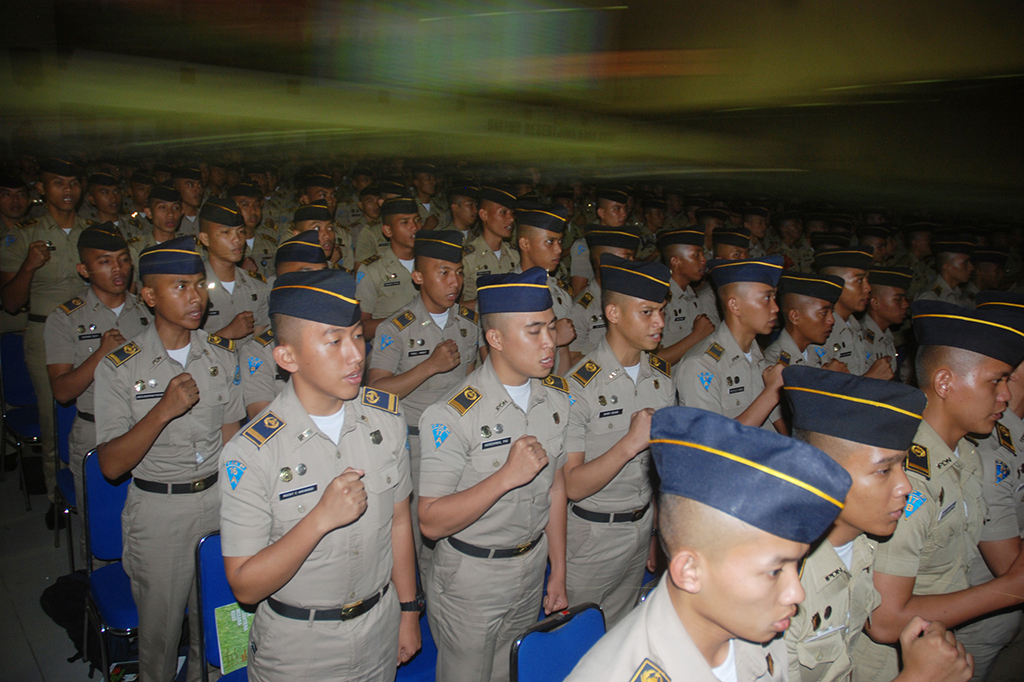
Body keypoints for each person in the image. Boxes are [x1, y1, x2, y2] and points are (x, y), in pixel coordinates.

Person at [219, 269, 420, 681]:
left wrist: (408, 609)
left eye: (357, 336)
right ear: (287, 357)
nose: (356, 355)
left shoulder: (387, 418)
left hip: (379, 628)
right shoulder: (252, 451)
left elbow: (400, 522)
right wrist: (319, 519)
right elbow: (244, 585)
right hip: (300, 648)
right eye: (334, 341)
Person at [565, 406, 854, 682]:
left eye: (796, 564)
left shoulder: (757, 629)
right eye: (774, 571)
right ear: (690, 571)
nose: (797, 594)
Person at [94, 235, 244, 682]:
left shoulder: (219, 355)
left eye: (199, 284)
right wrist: (163, 410)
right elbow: (111, 465)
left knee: (221, 633)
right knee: (159, 641)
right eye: (180, 287)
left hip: (218, 500)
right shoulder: (121, 366)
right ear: (150, 296)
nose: (195, 296)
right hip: (160, 511)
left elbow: (231, 439)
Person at [855, 300, 1024, 682]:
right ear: (945, 382)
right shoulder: (905, 476)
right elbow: (884, 620)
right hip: (892, 668)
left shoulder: (964, 453)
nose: (1005, 397)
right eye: (995, 381)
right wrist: (1011, 589)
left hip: (937, 654)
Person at [418, 267, 570, 682]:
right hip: (472, 579)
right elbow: (430, 521)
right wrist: (505, 477)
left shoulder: (556, 399)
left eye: (552, 329)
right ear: (496, 339)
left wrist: (558, 568)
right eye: (534, 331)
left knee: (510, 673)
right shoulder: (451, 415)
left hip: (531, 565)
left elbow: (556, 488)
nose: (549, 343)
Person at [781, 366, 973, 682]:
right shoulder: (782, 586)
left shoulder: (862, 547)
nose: (906, 486)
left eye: (903, 466)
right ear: (820, 475)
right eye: (884, 471)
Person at [563, 255, 675, 627]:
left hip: (641, 530)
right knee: (578, 643)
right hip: (592, 539)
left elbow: (661, 470)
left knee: (620, 636)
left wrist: (657, 531)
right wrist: (630, 443)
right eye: (647, 312)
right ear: (613, 313)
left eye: (661, 311)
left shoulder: (660, 378)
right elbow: (573, 486)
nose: (659, 322)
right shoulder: (577, 386)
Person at [367, 230, 481, 568]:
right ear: (418, 277)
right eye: (443, 272)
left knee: (456, 528)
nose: (454, 281)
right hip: (414, 444)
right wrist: (429, 367)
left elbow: (471, 383)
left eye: (459, 271)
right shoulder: (395, 329)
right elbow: (376, 392)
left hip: (460, 441)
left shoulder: (468, 324)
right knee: (414, 535)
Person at [44, 223, 152, 562]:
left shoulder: (149, 311)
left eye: (122, 260)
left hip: (149, 428)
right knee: (103, 538)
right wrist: (100, 354)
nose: (117, 269)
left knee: (149, 531)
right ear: (84, 269)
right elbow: (62, 391)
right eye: (104, 261)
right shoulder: (64, 319)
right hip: (95, 433)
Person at [0, 157, 93, 526]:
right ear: (42, 189)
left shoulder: (92, 231)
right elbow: (9, 302)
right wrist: (28, 266)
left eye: (72, 183)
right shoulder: (22, 236)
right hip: (44, 332)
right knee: (55, 417)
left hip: (91, 332)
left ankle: (95, 487)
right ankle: (58, 492)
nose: (67, 190)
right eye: (58, 183)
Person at [676, 256, 786, 432]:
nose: (775, 308)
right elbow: (713, 440)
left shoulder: (758, 357)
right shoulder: (701, 365)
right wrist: (772, 392)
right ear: (735, 306)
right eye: (766, 298)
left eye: (774, 297)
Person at [240, 230, 329, 419]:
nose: (318, 284)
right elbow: (261, 419)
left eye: (323, 275)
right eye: (306, 275)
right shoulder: (259, 352)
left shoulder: (342, 339)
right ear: (280, 283)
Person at [514, 201, 577, 373]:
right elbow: (501, 358)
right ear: (525, 244)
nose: (558, 249)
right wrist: (555, 337)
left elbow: (565, 355)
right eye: (550, 242)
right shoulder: (503, 295)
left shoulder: (560, 293)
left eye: (560, 241)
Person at [198, 196, 271, 341]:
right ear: (205, 239)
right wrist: (226, 335)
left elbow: (263, 341)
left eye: (240, 232)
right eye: (226, 232)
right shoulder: (193, 289)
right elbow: (183, 347)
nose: (237, 239)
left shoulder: (257, 286)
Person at [813, 248, 893, 378]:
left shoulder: (856, 327)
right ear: (835, 285)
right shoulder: (819, 333)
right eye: (860, 281)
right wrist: (871, 380)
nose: (868, 288)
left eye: (867, 280)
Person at [355, 195, 421, 339]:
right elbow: (361, 329)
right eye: (405, 222)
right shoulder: (372, 270)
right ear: (388, 231)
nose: (414, 227)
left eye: (417, 220)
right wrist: (407, 321)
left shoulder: (430, 264)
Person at [568, 226, 640, 357]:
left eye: (632, 257)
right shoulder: (581, 309)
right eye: (626, 257)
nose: (632, 263)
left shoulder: (633, 299)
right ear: (603, 262)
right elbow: (570, 362)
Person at [764, 271, 847, 370]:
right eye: (823, 313)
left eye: (831, 312)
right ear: (795, 317)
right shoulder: (774, 364)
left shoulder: (821, 352)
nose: (831, 320)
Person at [657, 228, 716, 365]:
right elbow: (656, 361)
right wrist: (696, 337)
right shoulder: (661, 300)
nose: (704, 260)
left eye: (702, 255)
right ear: (676, 262)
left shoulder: (691, 294)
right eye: (696, 255)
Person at [461, 185, 520, 308]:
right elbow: (454, 307)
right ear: (484, 215)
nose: (510, 219)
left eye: (512, 213)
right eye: (503, 212)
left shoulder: (515, 255)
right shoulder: (467, 259)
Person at [568, 187, 630, 294]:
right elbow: (579, 290)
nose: (623, 214)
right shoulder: (584, 245)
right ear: (601, 213)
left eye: (625, 209)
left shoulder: (626, 242)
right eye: (616, 209)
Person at [863, 267, 912, 376]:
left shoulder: (886, 335)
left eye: (905, 299)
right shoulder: (861, 338)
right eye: (898, 300)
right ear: (875, 303)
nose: (906, 305)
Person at [126, 184, 184, 268]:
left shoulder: (191, 248)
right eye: (162, 207)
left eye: (175, 208)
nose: (170, 214)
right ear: (149, 213)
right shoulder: (136, 249)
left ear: (182, 213)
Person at [229, 182, 278, 279]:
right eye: (245, 205)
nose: (253, 211)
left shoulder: (269, 244)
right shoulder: (226, 246)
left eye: (256, 205)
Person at [914, 237, 975, 308]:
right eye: (965, 263)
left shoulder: (957, 293)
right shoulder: (930, 298)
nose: (971, 267)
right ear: (947, 266)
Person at [172, 166, 204, 235]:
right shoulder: (171, 221)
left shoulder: (206, 219)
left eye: (200, 185)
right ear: (176, 187)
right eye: (190, 185)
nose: (198, 190)